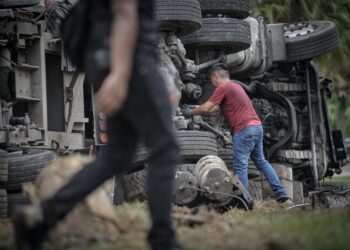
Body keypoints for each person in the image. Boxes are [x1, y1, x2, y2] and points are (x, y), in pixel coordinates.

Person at [14, 0, 181, 250]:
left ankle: (40, 218)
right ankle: (162, 240)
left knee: (115, 156)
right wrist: (121, 74)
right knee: (165, 148)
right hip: (130, 58)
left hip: (104, 56)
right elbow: (124, 10)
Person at [182, 63, 289, 202]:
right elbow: (217, 108)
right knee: (262, 162)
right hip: (257, 128)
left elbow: (207, 108)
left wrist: (190, 112)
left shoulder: (223, 87)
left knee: (240, 165)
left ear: (216, 76)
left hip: (244, 130)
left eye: (211, 80)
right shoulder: (235, 87)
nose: (212, 83)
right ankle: (281, 192)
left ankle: (244, 199)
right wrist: (196, 107)